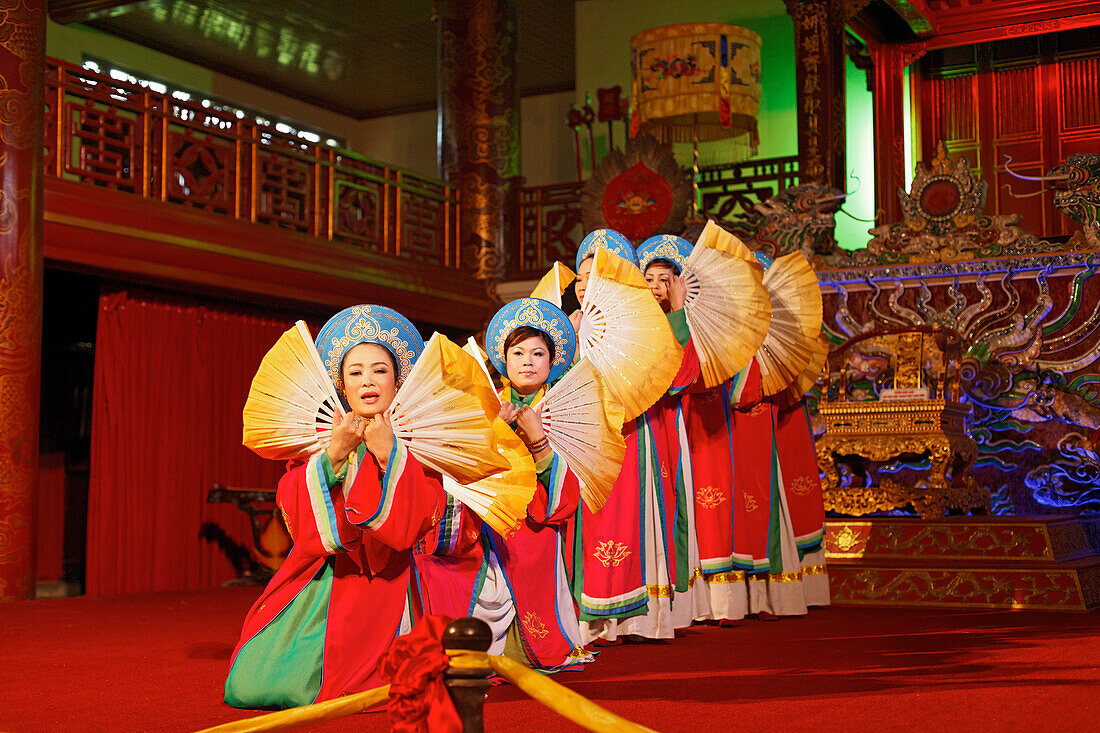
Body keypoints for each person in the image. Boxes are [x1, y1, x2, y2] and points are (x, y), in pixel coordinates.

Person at [224, 305, 480, 709]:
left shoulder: (416, 443)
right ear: (342, 386)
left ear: (398, 381)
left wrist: (389, 456)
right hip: (330, 573)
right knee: (250, 685)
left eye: (380, 370)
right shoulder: (324, 439)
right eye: (355, 372)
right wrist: (332, 458)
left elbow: (410, 523)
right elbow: (294, 504)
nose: (368, 381)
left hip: (391, 580)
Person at [417, 298, 590, 671]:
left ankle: (522, 646)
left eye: (538, 353)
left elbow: (565, 493)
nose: (527, 361)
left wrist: (538, 441)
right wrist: (496, 428)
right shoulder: (487, 404)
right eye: (518, 352)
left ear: (552, 361)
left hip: (533, 523)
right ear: (504, 360)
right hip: (485, 517)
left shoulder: (566, 408)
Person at [567, 229, 701, 643]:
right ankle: (588, 618)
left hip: (636, 435)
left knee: (633, 515)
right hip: (585, 437)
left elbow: (679, 378)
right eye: (581, 275)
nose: (587, 282)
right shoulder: (566, 325)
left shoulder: (641, 323)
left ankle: (638, 618)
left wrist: (677, 316)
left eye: (597, 273)